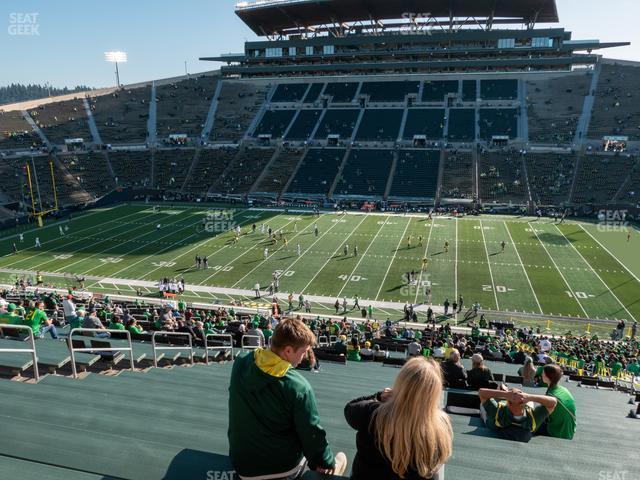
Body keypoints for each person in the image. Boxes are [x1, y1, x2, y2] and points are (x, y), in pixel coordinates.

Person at [228, 318, 347, 478]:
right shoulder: (298, 386)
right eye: (303, 351)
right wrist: (326, 462)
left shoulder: (241, 362)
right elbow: (312, 435)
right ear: (288, 351)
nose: (304, 357)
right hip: (280, 467)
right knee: (339, 461)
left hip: (241, 463)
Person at [344, 357, 453, 480]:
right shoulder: (442, 426)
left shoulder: (373, 414)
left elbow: (349, 409)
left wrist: (379, 396)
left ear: (401, 383)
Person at [479, 385, 557, 442]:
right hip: (523, 430)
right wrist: (529, 397)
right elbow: (553, 402)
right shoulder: (533, 418)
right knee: (532, 403)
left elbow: (481, 393)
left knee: (482, 407)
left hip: (494, 425)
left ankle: (483, 417)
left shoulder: (498, 411)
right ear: (525, 403)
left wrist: (505, 394)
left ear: (508, 403)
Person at [538, 364, 577, 440]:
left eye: (543, 373)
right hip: (569, 430)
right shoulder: (563, 389)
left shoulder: (551, 394)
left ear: (547, 376)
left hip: (558, 432)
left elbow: (542, 415)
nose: (541, 374)